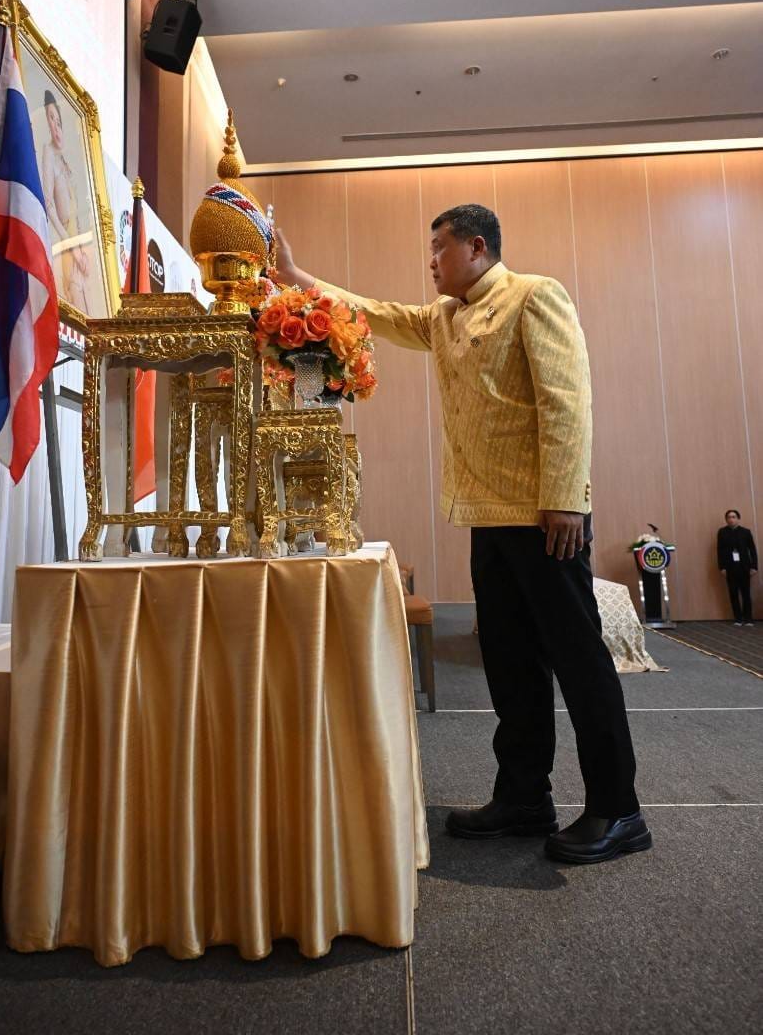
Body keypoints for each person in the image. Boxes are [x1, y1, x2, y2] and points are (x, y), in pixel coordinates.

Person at [275, 204, 650, 865]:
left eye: (439, 248)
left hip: (544, 517)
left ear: (477, 247)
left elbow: (567, 401)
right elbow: (375, 313)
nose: (431, 261)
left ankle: (618, 809)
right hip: (486, 514)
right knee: (510, 662)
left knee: (578, 660)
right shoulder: (444, 316)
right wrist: (297, 277)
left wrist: (566, 499)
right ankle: (524, 797)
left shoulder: (533, 296)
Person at [40, 90, 92, 314]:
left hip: (78, 245)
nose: (54, 124)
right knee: (77, 310)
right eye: (49, 118)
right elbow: (49, 204)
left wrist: (81, 250)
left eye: (56, 119)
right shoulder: (48, 153)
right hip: (68, 246)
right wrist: (73, 248)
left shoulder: (65, 158)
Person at [717, 510, 757, 625]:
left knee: (746, 594)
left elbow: (752, 550)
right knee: (733, 593)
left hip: (744, 567)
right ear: (726, 519)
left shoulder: (746, 532)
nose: (731, 519)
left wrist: (754, 567)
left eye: (734, 517)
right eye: (729, 517)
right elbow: (719, 550)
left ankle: (748, 618)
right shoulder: (722, 532)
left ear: (738, 519)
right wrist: (722, 567)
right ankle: (738, 618)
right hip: (730, 567)